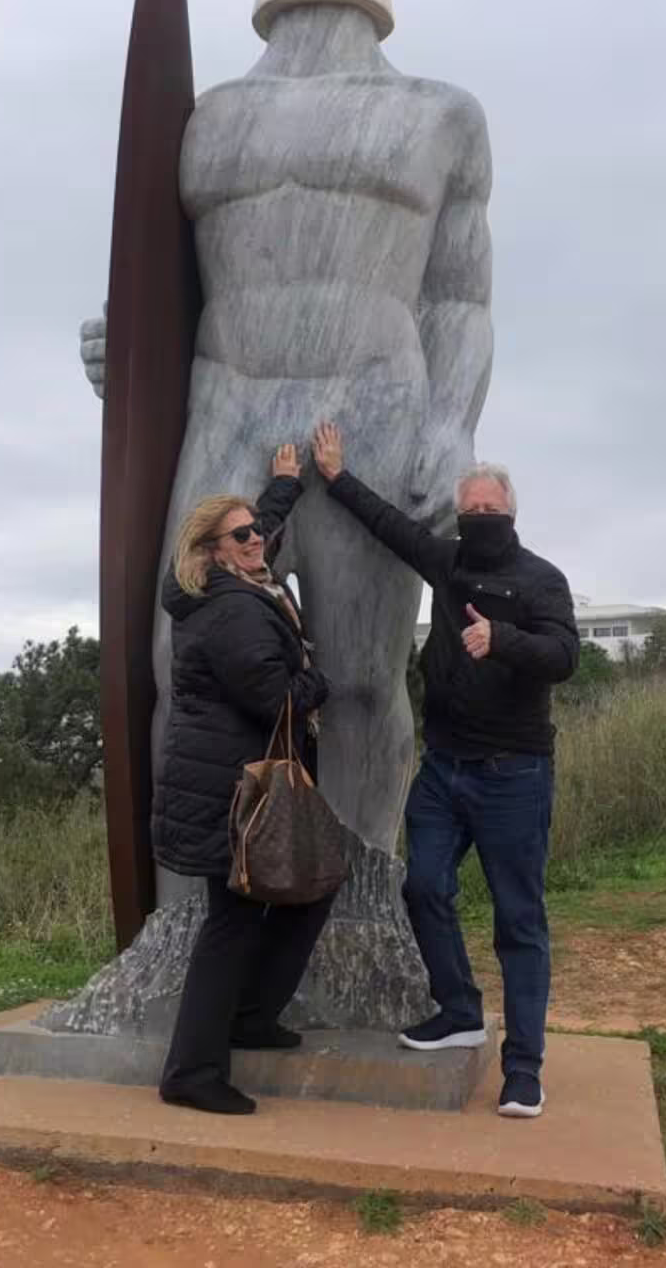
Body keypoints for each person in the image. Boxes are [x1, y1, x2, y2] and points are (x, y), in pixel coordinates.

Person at [311, 422, 578, 1120]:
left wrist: (504, 639)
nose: (480, 521)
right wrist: (336, 477)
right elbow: (392, 528)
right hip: (444, 769)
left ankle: (524, 1070)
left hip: (514, 773)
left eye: (490, 512)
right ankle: (459, 1009)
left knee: (519, 922)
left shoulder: (542, 579)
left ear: (511, 514)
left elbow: (564, 656)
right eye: (472, 512)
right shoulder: (449, 562)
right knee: (423, 886)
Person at [153, 443, 335, 1116]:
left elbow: (267, 533)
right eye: (243, 534)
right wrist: (323, 677)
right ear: (211, 551)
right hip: (235, 794)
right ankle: (192, 1071)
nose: (258, 539)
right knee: (233, 922)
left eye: (257, 529)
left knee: (301, 896)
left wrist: (282, 487)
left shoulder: (229, 587)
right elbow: (276, 696)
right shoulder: (231, 610)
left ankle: (251, 1017)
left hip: (233, 785)